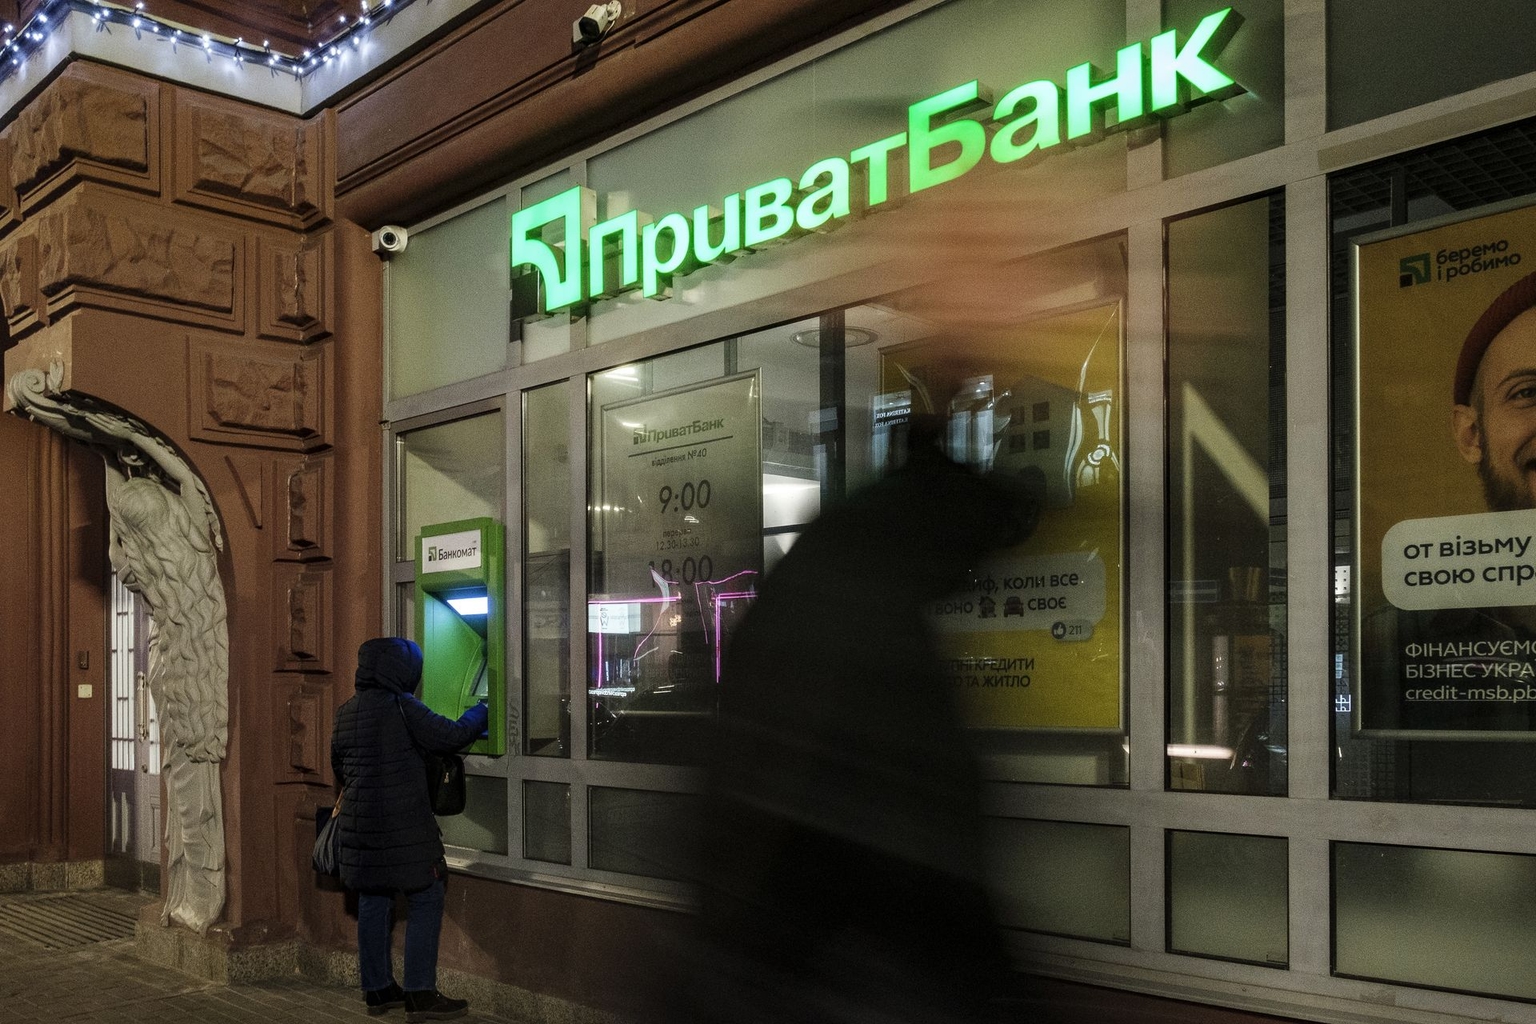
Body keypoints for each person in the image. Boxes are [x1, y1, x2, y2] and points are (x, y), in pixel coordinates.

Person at [658, 416, 1039, 1024]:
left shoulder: (826, 583)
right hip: (825, 950)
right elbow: (903, 803)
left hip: (778, 935)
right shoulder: (861, 611)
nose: (964, 581)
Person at [330, 637, 489, 1020]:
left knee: (373, 899)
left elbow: (339, 766)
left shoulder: (345, 712)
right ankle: (420, 993)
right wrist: (482, 710)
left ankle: (378, 989)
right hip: (404, 829)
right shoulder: (402, 707)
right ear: (403, 670)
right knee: (426, 895)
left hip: (360, 829)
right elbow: (451, 736)